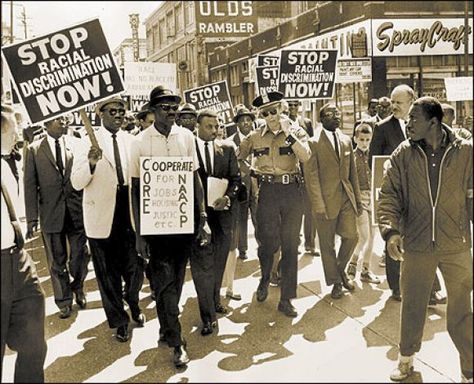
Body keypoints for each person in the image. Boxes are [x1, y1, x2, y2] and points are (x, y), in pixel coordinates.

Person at [377, 96, 473, 382]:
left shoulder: (466, 151)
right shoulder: (402, 154)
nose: (407, 124)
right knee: (413, 305)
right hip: (417, 243)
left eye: (413, 119)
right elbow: (389, 195)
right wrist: (391, 231)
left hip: (456, 244)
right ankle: (406, 359)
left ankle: (469, 368)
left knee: (462, 312)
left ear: (434, 121)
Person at [130, 85, 209, 367]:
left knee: (174, 282)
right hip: (155, 229)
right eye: (165, 107)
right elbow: (136, 191)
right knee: (163, 284)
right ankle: (178, 343)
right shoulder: (139, 142)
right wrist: (139, 233)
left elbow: (196, 179)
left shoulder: (186, 137)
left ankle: (166, 328)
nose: (172, 112)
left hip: (183, 225)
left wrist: (203, 218)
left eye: (175, 107)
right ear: (153, 110)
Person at [71, 97, 145, 343]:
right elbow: (76, 182)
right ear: (100, 114)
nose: (118, 116)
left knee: (135, 267)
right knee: (107, 274)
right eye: (112, 111)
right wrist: (91, 163)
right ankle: (119, 321)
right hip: (102, 216)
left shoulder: (133, 141)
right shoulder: (85, 144)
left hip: (129, 212)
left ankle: (133, 302)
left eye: (122, 112)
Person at [369, 84, 445, 304]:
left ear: (412, 101)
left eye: (398, 102)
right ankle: (396, 287)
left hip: (422, 195)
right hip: (396, 195)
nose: (393, 106)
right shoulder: (382, 128)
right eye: (392, 102)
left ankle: (431, 290)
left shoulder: (426, 126)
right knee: (394, 237)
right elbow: (373, 161)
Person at [238, 91, 311, 317]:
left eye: (274, 111)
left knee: (290, 245)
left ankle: (287, 298)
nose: (270, 116)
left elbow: (306, 156)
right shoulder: (255, 136)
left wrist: (289, 134)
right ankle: (265, 277)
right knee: (267, 242)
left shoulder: (296, 131)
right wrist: (249, 173)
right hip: (267, 191)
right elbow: (239, 156)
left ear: (283, 109)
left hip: (291, 192)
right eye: (265, 112)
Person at [24, 115, 89, 319]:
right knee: (56, 260)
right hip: (50, 213)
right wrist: (32, 218)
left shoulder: (76, 144)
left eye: (65, 119)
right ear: (45, 124)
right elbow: (29, 185)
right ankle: (64, 300)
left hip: (76, 211)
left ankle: (78, 286)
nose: (64, 122)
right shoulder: (34, 150)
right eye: (58, 119)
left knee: (80, 256)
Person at [1, 108, 47, 382]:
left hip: (18, 261)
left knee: (34, 342)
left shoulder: (7, 165)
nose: (20, 132)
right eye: (14, 127)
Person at [305, 103, 362, 300]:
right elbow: (311, 177)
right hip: (325, 201)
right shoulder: (313, 143)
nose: (336, 117)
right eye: (331, 114)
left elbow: (352, 173)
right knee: (327, 244)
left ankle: (339, 269)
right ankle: (336, 282)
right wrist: (318, 204)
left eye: (338, 114)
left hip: (346, 197)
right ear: (321, 119)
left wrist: (357, 201)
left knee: (352, 237)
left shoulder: (346, 140)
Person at [193, 108, 241, 332]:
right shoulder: (188, 148)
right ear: (198, 127)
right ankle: (207, 316)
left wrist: (227, 197)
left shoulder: (228, 149)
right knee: (203, 265)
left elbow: (236, 180)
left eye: (217, 126)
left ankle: (214, 301)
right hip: (198, 217)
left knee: (219, 261)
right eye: (209, 126)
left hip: (222, 216)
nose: (214, 131)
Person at [346, 123, 380, 284]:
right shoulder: (351, 157)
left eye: (367, 140)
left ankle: (366, 270)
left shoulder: (374, 157)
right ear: (355, 139)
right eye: (361, 139)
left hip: (374, 197)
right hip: (360, 199)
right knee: (364, 235)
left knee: (373, 236)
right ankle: (352, 264)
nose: (365, 143)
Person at [287, 99, 319, 256]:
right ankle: (295, 241)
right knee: (294, 210)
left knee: (310, 209)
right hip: (290, 171)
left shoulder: (306, 122)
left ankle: (310, 243)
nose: (293, 108)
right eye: (290, 105)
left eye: (295, 105)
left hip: (306, 172)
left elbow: (311, 148)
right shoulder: (282, 124)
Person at [227, 106, 258, 261]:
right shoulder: (231, 141)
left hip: (258, 183)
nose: (246, 123)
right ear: (237, 124)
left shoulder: (258, 137)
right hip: (241, 184)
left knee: (259, 215)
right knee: (241, 217)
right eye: (242, 120)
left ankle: (262, 245)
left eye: (248, 120)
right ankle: (243, 248)